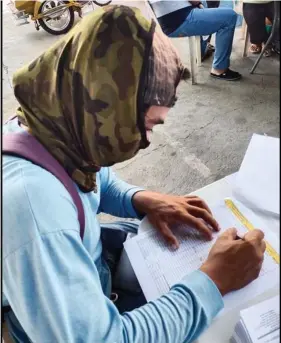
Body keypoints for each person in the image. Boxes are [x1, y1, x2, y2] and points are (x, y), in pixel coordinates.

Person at [3, 5, 266, 343]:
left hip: (93, 259)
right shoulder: (36, 214)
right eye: (145, 126)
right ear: (106, 109)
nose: (145, 143)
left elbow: (92, 178)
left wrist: (138, 198)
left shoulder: (54, 124)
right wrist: (213, 281)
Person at [149, 0, 242, 81]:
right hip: (177, 20)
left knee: (212, 5)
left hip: (180, 15)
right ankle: (219, 69)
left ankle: (203, 50)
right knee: (229, 16)